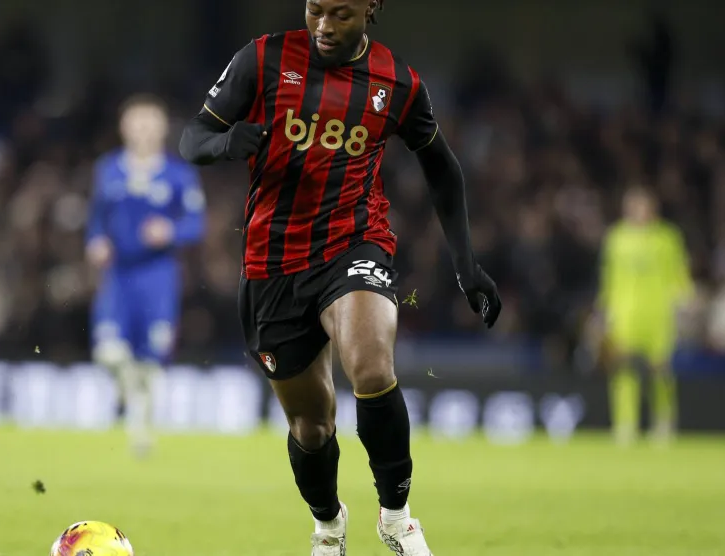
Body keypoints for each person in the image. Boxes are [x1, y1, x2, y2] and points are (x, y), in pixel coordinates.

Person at [179, 1, 501, 554]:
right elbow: (192, 138)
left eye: (341, 14)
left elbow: (443, 168)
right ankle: (329, 525)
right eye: (316, 11)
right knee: (311, 426)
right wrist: (223, 144)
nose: (325, 26)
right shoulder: (264, 58)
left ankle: (397, 518)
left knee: (372, 365)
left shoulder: (398, 83)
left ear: (371, 9)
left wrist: (465, 263)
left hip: (354, 242)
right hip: (271, 265)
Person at [86, 94, 206, 457]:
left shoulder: (179, 174)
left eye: (150, 122)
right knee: (108, 351)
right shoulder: (108, 169)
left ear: (162, 128)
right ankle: (125, 393)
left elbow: (196, 224)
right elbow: (96, 219)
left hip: (158, 277)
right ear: (124, 127)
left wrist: (170, 231)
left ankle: (140, 432)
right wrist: (95, 242)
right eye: (136, 122)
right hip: (119, 275)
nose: (143, 130)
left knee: (151, 360)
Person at [598, 186, 692, 445]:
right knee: (623, 370)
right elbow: (609, 277)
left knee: (660, 370)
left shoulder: (667, 237)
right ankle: (625, 424)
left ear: (653, 209)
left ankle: (664, 422)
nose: (638, 211)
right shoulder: (616, 238)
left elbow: (679, 272)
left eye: (643, 206)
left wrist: (685, 300)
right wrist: (605, 309)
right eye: (633, 206)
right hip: (625, 313)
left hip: (659, 312)